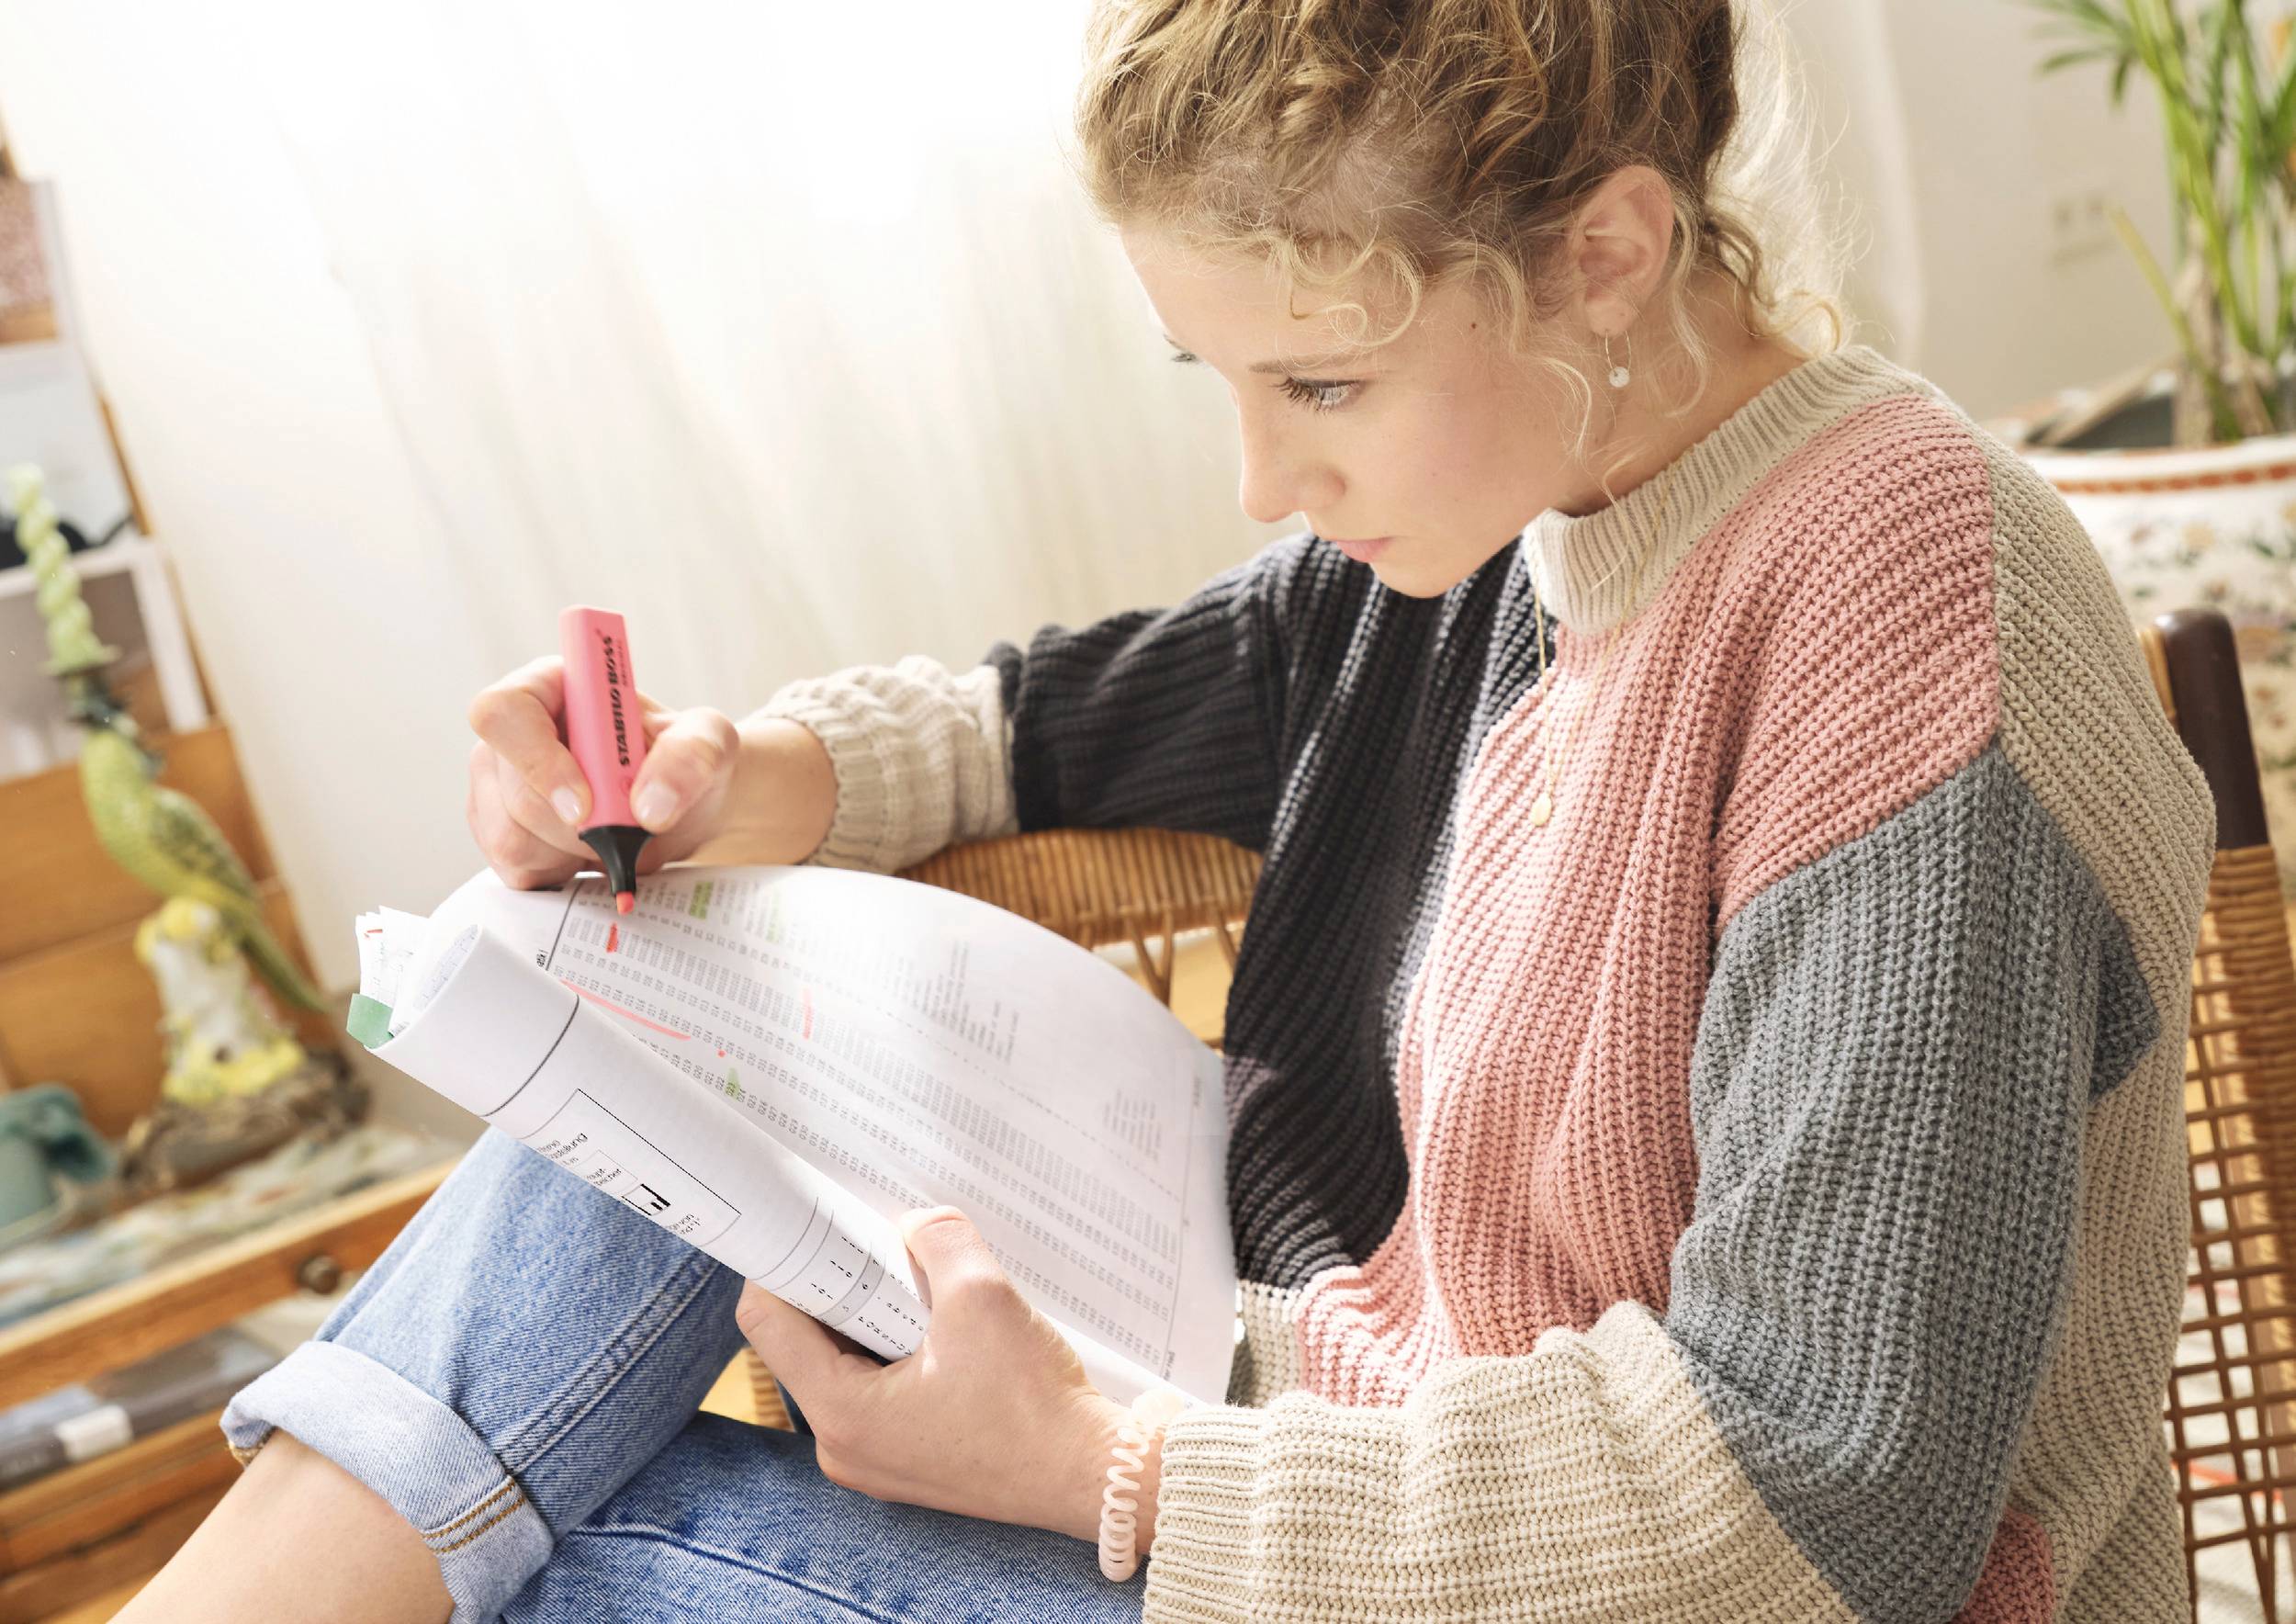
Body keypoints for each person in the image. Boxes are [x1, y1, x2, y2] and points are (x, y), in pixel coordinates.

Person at [124, 0, 2217, 1618]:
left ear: (1606, 253)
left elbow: (1812, 1500)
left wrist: (1111, 1467)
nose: (1258, 478)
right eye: (1207, 380)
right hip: (1311, 1448)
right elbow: (1040, 721)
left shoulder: (1897, 600)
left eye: (1313, 387)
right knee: (599, 1169)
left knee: (492, 1558)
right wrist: (726, 779)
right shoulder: (1524, 499)